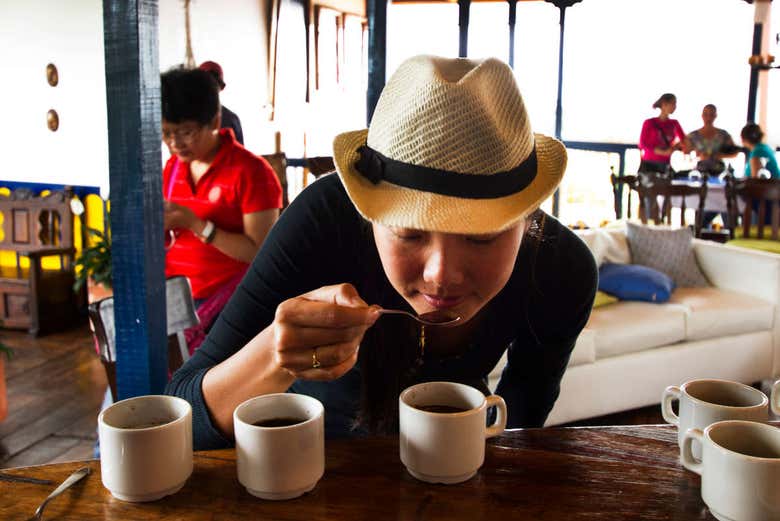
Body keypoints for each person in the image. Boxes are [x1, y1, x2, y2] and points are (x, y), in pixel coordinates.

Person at [166, 55, 598, 450]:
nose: (440, 275)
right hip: (302, 462)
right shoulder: (323, 222)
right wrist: (273, 354)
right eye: (409, 233)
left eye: (481, 236)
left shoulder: (562, 271)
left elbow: (522, 429)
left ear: (527, 218)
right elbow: (180, 419)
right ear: (369, 214)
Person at [161, 66, 282, 351]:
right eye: (166, 133)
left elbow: (259, 252)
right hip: (175, 300)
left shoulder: (251, 172)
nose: (176, 143)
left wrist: (197, 224)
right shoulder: (172, 169)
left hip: (228, 305)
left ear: (214, 120)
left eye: (186, 132)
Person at [638, 93, 686, 177]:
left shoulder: (674, 123)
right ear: (664, 104)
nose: (675, 106)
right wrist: (662, 152)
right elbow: (642, 144)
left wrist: (674, 148)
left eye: (675, 104)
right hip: (649, 165)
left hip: (665, 164)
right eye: (673, 103)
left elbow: (685, 141)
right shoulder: (649, 123)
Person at [199, 61, 244, 145]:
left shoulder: (231, 119)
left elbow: (241, 154)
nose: (208, 89)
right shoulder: (188, 120)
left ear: (222, 87)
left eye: (213, 84)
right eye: (204, 84)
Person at [685, 104, 738, 177]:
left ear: (715, 116)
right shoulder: (693, 135)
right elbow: (686, 153)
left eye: (711, 114)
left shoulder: (723, 135)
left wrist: (720, 156)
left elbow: (735, 153)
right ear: (702, 115)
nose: (708, 117)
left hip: (719, 173)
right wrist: (698, 155)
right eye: (706, 114)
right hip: (699, 173)